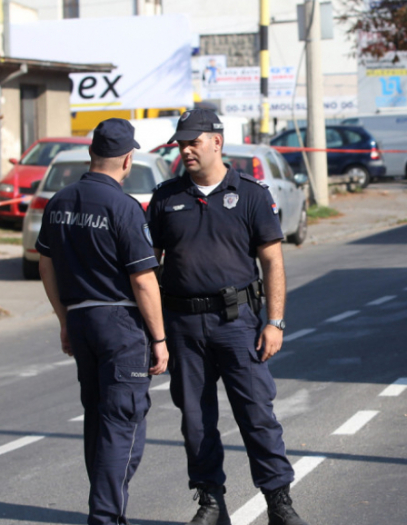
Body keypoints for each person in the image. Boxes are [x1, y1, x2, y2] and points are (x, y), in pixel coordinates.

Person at [147, 109, 309, 525]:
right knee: (196, 420)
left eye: (193, 142)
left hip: (237, 323)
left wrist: (275, 322)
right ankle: (211, 502)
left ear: (216, 142)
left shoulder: (251, 194)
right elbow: (149, 267)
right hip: (183, 326)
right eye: (181, 144)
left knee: (257, 414)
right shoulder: (166, 198)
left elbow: (272, 262)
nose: (185, 150)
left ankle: (278, 501)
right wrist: (154, 330)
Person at [37, 118, 169, 525]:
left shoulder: (59, 202)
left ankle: (106, 509)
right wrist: (159, 338)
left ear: (91, 153)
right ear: (128, 160)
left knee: (98, 419)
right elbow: (143, 280)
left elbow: (45, 265)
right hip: (120, 323)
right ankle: (106, 516)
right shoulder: (124, 207)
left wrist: (65, 319)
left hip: (80, 319)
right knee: (123, 421)